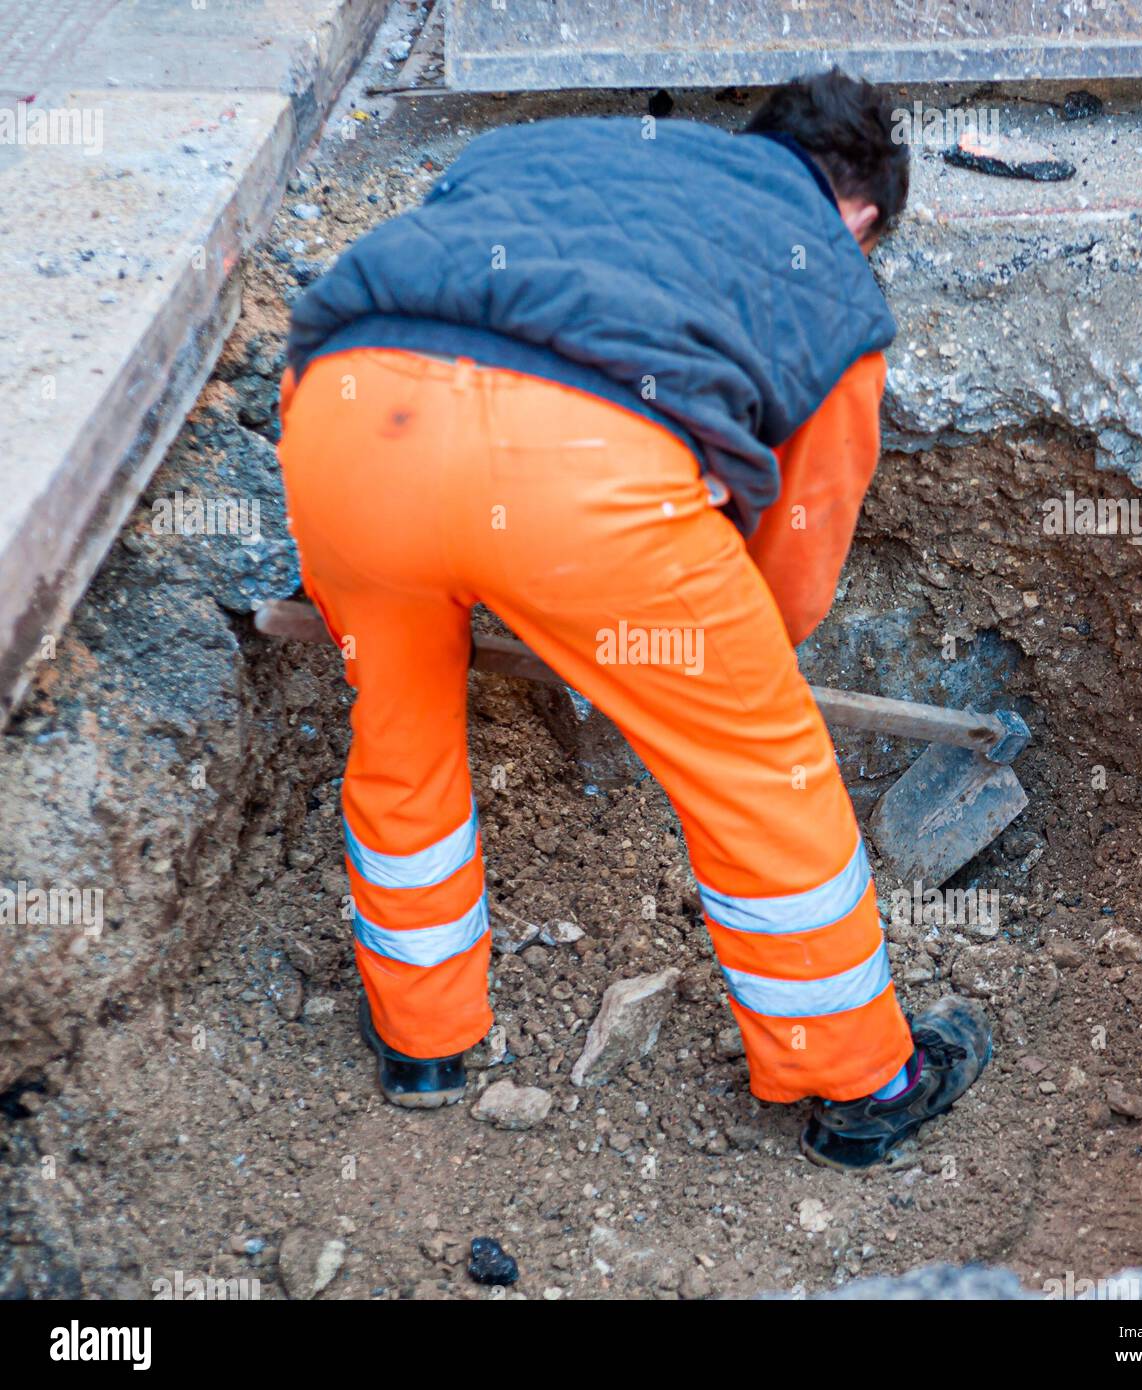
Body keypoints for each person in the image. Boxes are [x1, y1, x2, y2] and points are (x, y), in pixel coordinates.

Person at [276, 69, 990, 1171]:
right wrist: (721, 662)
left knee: (400, 722)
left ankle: (422, 1043)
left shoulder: (541, 150)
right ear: (858, 214)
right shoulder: (836, 285)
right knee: (762, 769)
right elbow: (794, 570)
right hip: (578, 476)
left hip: (346, 420)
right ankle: (861, 1082)